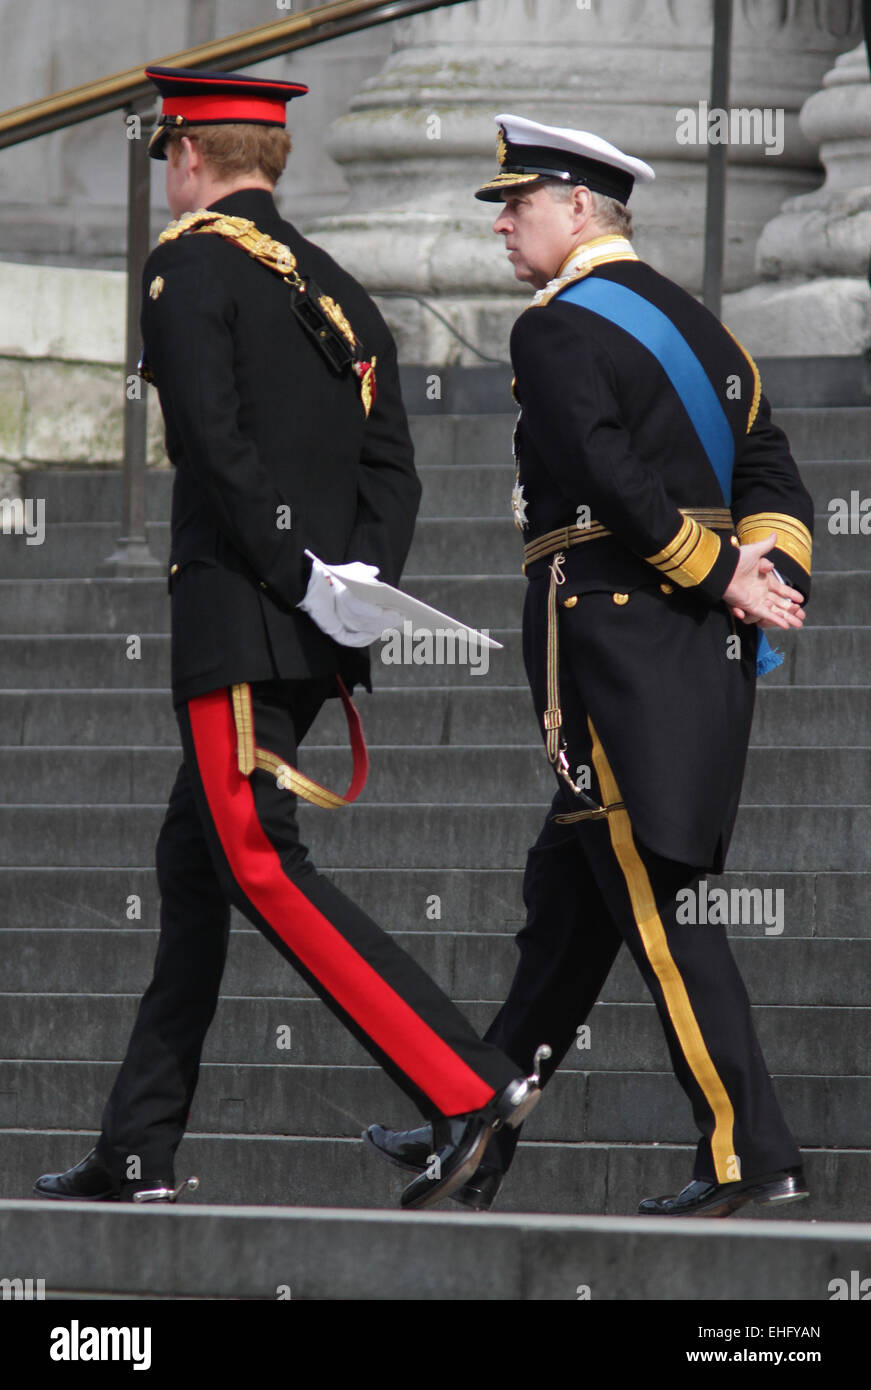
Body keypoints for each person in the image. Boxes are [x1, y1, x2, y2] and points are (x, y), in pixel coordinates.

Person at [33, 71, 547, 1213]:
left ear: (186, 158)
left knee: (258, 859)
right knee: (193, 863)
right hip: (311, 629)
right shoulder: (341, 285)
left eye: (168, 155)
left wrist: (288, 572)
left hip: (237, 619)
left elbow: (209, 443)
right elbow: (392, 470)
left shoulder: (187, 261)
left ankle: (465, 1086)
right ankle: (137, 1145)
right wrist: (346, 584)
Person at [364, 114, 814, 1218]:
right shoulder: (707, 331)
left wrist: (718, 571)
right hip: (694, 649)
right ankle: (472, 1116)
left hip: (612, 644)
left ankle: (746, 1151)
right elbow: (775, 477)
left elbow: (603, 470)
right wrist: (762, 568)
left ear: (578, 208)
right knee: (567, 904)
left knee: (654, 901)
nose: (504, 224)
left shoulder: (556, 327)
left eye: (518, 204)